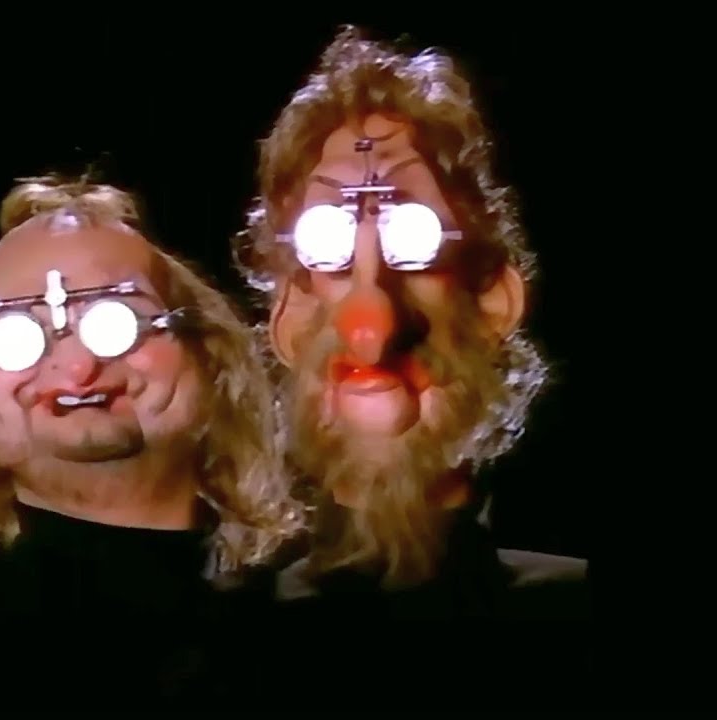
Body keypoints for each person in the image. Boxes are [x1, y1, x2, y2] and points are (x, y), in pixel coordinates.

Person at [233, 26, 589, 706]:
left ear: (494, 303)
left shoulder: (575, 619)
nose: (373, 326)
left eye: (413, 241)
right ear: (289, 319)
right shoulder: (218, 639)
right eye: (329, 245)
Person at [0, 175, 300, 707]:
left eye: (118, 322)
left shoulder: (311, 613)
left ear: (207, 352)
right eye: (16, 335)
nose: (76, 367)